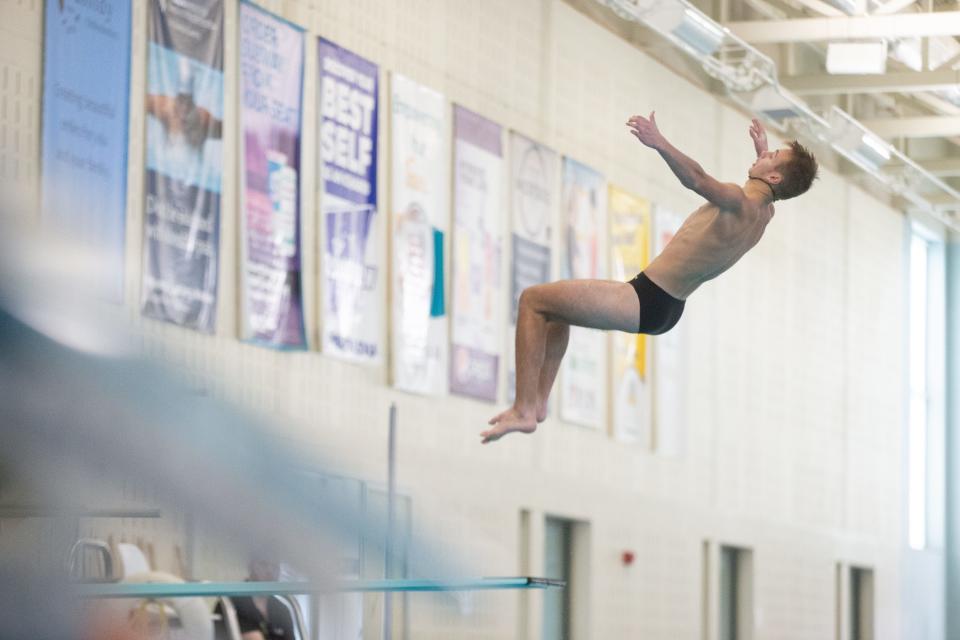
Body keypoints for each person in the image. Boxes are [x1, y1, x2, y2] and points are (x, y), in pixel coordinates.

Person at [482, 113, 818, 444]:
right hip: (667, 306)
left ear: (773, 178)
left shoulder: (738, 201)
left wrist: (659, 142)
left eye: (772, 156)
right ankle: (538, 401)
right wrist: (763, 154)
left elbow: (698, 178)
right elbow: (767, 185)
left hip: (646, 297)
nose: (766, 153)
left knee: (533, 300)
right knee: (557, 310)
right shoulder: (764, 215)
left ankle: (524, 409)